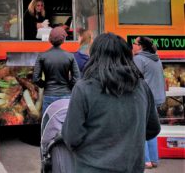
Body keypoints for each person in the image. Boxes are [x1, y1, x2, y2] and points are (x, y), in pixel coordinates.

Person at [62, 33, 160, 173]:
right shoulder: (141, 86)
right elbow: (153, 129)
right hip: (132, 167)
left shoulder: (83, 87)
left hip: (91, 167)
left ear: (94, 55)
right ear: (126, 55)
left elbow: (71, 137)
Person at [132, 36, 166, 169]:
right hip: (157, 98)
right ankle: (154, 159)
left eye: (134, 43)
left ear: (140, 46)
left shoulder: (139, 59)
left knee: (141, 129)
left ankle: (146, 160)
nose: (132, 45)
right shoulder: (156, 58)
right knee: (151, 128)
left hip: (144, 99)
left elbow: (133, 79)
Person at [33, 27, 80, 114]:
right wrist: (68, 85)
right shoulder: (70, 56)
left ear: (50, 39)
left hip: (49, 95)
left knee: (48, 124)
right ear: (63, 40)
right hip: (66, 96)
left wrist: (45, 84)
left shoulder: (42, 56)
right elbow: (77, 78)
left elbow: (35, 78)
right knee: (65, 124)